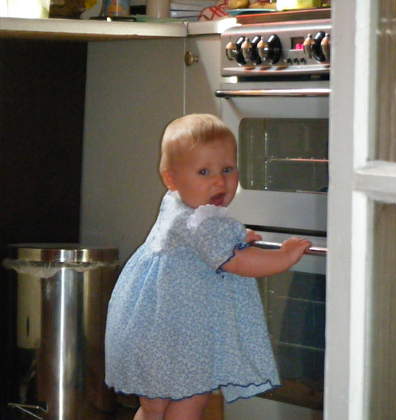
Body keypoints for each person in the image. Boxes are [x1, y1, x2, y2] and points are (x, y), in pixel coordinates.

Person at [104, 113, 311, 420]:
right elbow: (238, 262)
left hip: (151, 329)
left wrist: (235, 237)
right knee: (190, 400)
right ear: (171, 179)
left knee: (154, 406)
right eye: (204, 172)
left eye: (227, 169)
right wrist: (285, 256)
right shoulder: (200, 223)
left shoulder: (176, 203)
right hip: (184, 336)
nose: (219, 181)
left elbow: (201, 244)